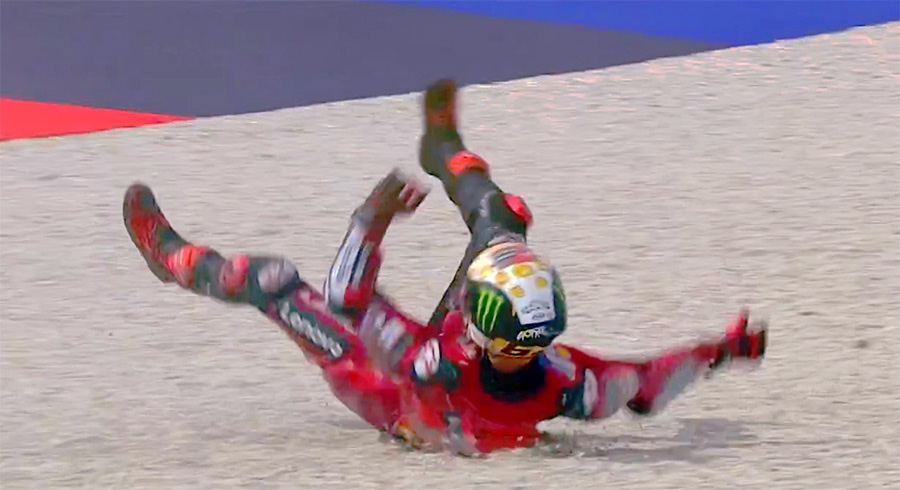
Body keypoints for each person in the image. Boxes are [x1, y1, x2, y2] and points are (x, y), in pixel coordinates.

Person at [122, 79, 767, 456]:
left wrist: (370, 221)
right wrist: (722, 350)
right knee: (504, 220)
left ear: (479, 322)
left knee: (270, 282)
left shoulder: (431, 366)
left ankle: (170, 259)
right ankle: (443, 147)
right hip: (466, 387)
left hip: (375, 377)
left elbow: (348, 300)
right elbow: (646, 385)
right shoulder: (568, 378)